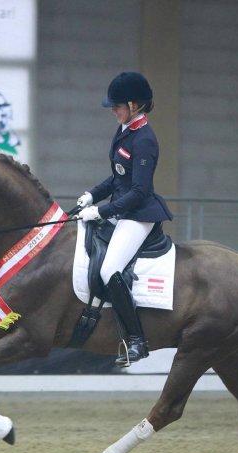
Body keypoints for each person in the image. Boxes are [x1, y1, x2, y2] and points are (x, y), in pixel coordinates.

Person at [77, 71, 173, 367]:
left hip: (139, 214)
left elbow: (140, 190)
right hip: (123, 209)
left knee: (109, 270)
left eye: (117, 106)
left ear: (133, 105)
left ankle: (136, 341)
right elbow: (118, 175)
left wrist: (103, 211)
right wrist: (93, 195)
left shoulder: (144, 139)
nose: (113, 111)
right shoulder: (126, 130)